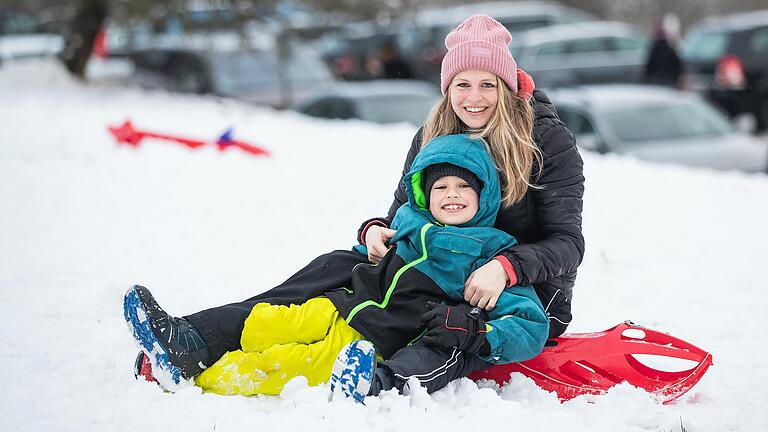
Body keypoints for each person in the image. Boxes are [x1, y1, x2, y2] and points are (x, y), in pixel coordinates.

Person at [127, 13, 584, 400]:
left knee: (442, 322)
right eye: (462, 84)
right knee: (334, 266)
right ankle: (196, 340)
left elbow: (568, 243)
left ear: (507, 85)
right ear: (448, 88)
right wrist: (375, 231)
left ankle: (379, 380)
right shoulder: (436, 133)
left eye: (488, 84)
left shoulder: (545, 138)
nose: (475, 97)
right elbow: (404, 209)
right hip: (433, 260)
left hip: (516, 289)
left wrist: (506, 268)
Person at [124, 133, 549, 396]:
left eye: (463, 187)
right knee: (265, 322)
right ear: (423, 194)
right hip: (338, 305)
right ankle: (186, 347)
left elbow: (530, 325)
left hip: (368, 341)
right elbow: (373, 241)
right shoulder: (409, 221)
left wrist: (479, 330)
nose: (451, 195)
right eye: (441, 186)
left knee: (279, 366)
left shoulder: (491, 250)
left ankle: (198, 380)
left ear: (485, 197)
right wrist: (369, 231)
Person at [644, 17, 682, 87]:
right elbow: (678, 65)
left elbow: (649, 67)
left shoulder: (654, 49)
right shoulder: (670, 49)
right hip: (669, 81)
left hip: (656, 81)